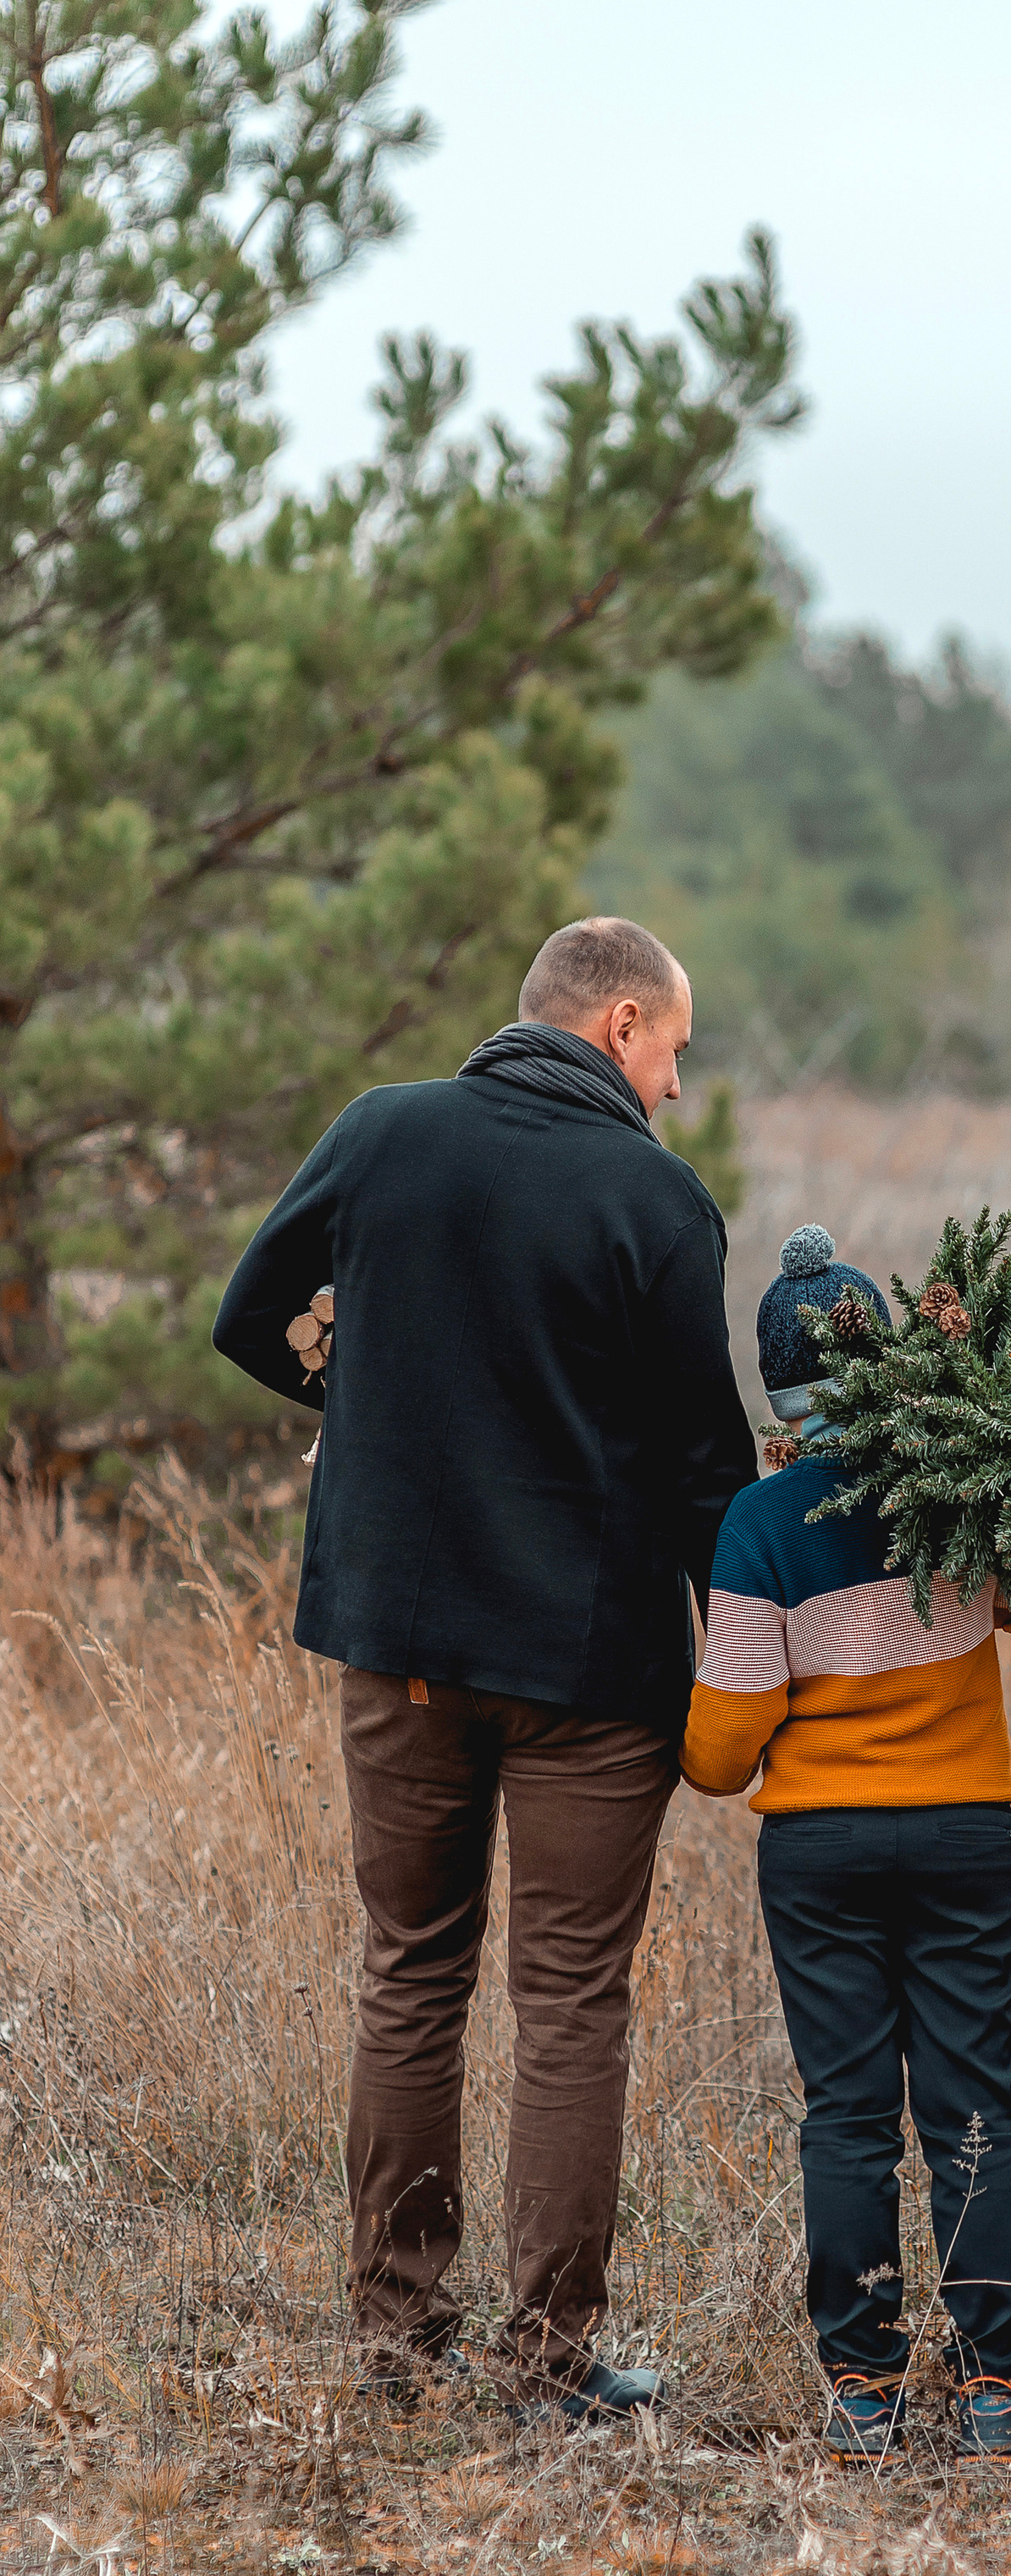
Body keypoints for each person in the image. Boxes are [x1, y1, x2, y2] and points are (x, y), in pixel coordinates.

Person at [213, 916, 756, 2422]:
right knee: (573, 1999)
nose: (671, 1090)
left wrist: (350, 1385)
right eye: (671, 1056)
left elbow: (243, 1315)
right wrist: (761, 1671)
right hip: (592, 1670)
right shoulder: (656, 1197)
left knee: (409, 1972)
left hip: (399, 1653)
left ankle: (394, 2342)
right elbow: (708, 1473)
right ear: (620, 1024)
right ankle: (551, 2366)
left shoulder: (382, 1134)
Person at [679, 1224, 1011, 2464]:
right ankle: (996, 2387)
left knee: (847, 2113)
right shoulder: (959, 1488)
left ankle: (862, 2387)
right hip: (962, 1838)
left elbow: (724, 1753)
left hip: (822, 1855)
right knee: (971, 2107)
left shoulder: (761, 1521)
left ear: (775, 1392)